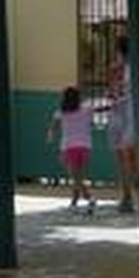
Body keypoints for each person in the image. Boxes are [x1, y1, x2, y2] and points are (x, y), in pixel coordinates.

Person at [47, 85, 95, 214]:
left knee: (75, 177)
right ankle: (77, 200)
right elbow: (92, 124)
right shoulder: (86, 110)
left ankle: (88, 199)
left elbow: (53, 127)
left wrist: (50, 136)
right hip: (85, 146)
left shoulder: (60, 112)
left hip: (69, 147)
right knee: (78, 176)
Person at [106, 36, 138, 213]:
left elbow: (113, 93)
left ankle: (127, 196)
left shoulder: (115, 69)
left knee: (121, 158)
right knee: (132, 157)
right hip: (134, 113)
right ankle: (131, 193)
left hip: (119, 113)